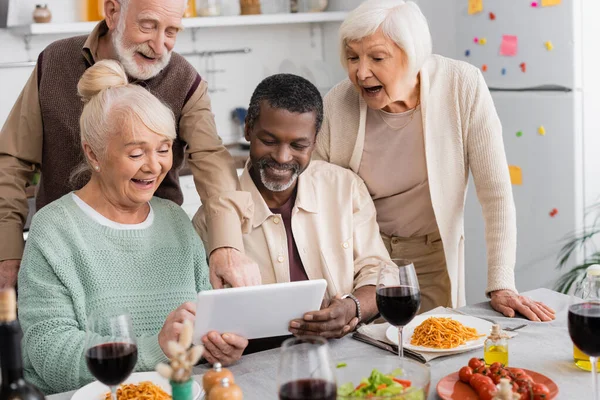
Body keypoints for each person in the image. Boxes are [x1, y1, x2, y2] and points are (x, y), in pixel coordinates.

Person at [17, 60, 248, 395]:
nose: (154, 166)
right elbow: (49, 353)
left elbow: (205, 323)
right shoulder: (53, 230)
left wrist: (220, 344)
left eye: (164, 149)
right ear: (93, 154)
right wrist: (156, 347)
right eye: (137, 153)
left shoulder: (175, 220)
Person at [315, 0, 555, 321]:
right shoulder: (337, 103)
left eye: (377, 57)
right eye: (352, 57)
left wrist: (501, 284)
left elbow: (495, 194)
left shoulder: (461, 86)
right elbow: (313, 200)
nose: (361, 72)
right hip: (358, 264)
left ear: (413, 55)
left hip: (429, 260)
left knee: (431, 352)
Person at [0, 0, 259, 291]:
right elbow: (11, 161)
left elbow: (211, 159)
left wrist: (226, 246)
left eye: (172, 31)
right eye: (148, 26)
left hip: (155, 255)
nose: (159, 46)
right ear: (112, 12)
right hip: (63, 254)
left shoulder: (185, 81)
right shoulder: (54, 62)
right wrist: (7, 252)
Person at [195, 74, 392, 339]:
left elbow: (380, 272)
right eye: (269, 141)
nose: (282, 157)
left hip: (346, 354)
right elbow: (201, 317)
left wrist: (352, 307)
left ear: (315, 140)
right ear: (247, 129)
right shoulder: (212, 221)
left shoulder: (345, 188)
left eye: (298, 145)